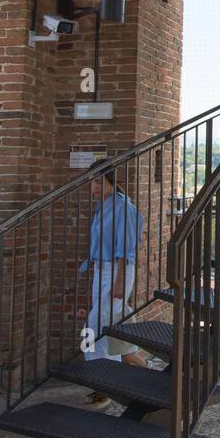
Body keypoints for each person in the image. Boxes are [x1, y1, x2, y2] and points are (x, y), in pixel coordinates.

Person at [79, 163, 145, 404]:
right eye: (92, 182)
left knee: (92, 330)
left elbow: (125, 250)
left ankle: (106, 383)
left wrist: (118, 283)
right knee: (109, 332)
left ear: (110, 180)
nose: (93, 187)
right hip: (101, 270)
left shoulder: (123, 208)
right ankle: (115, 381)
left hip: (117, 272)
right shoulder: (103, 206)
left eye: (98, 181)